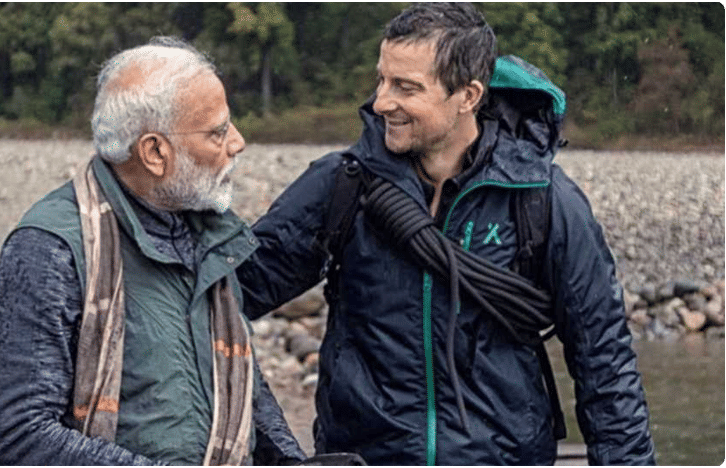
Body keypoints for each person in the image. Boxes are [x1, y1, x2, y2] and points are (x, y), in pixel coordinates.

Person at [237, 3, 656, 466]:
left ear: (468, 95)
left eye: (406, 87)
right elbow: (218, 305)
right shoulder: (341, 186)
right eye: (382, 80)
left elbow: (605, 364)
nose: (381, 102)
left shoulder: (542, 200)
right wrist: (276, 446)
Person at [0, 36, 306, 466]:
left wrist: (291, 460)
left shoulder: (206, 232)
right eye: (218, 131)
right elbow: (17, 437)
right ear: (154, 152)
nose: (237, 142)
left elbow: (240, 381)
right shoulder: (51, 247)